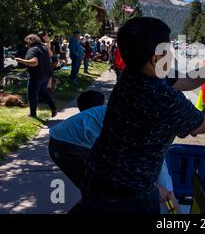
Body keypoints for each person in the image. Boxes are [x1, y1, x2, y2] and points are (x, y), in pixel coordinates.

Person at [78, 17, 205, 214]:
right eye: (169, 51)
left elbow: (187, 79)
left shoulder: (133, 74)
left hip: (96, 177)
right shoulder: (164, 98)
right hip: (129, 197)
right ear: (155, 59)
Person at [49, 91, 181, 214]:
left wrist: (167, 196)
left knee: (103, 194)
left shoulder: (146, 121)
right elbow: (126, 168)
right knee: (106, 194)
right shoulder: (138, 127)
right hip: (68, 146)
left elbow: (160, 173)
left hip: (74, 143)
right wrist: (156, 188)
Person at [15, 35, 57, 118]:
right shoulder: (44, 48)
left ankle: (33, 114)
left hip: (36, 76)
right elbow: (51, 54)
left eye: (27, 42)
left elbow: (34, 62)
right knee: (43, 92)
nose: (26, 44)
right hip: (46, 75)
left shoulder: (32, 50)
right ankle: (53, 108)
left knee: (32, 95)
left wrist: (21, 60)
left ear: (31, 41)